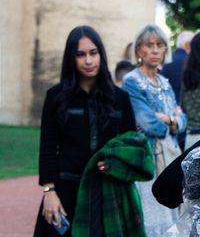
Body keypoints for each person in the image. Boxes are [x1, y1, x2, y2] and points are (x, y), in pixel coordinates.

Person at [34, 25, 136, 236]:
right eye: (80, 55)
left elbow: (132, 146)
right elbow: (47, 147)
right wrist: (49, 192)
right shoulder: (56, 97)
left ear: (101, 54)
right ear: (71, 58)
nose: (88, 61)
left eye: (93, 53)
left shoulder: (120, 99)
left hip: (108, 190)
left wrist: (116, 164)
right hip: (67, 192)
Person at [123, 23, 187, 237]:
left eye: (160, 45)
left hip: (171, 156)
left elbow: (183, 121)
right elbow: (150, 124)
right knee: (152, 219)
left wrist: (169, 119)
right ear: (139, 49)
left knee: (172, 215)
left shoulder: (165, 82)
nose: (155, 50)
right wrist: (171, 120)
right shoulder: (132, 81)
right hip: (148, 157)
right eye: (149, 45)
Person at [162, 30, 194, 150]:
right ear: (188, 45)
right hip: (185, 122)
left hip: (167, 120)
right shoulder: (191, 63)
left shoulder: (166, 62)